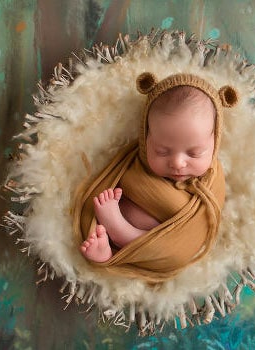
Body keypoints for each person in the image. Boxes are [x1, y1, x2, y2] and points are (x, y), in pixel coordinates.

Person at [73, 72, 238, 281]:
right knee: (106, 200)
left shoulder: (213, 180)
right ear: (145, 137)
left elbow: (200, 228)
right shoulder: (133, 162)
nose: (178, 163)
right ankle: (108, 249)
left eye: (194, 153)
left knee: (178, 250)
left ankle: (122, 233)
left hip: (169, 247)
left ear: (215, 143)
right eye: (162, 151)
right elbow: (111, 178)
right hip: (121, 224)